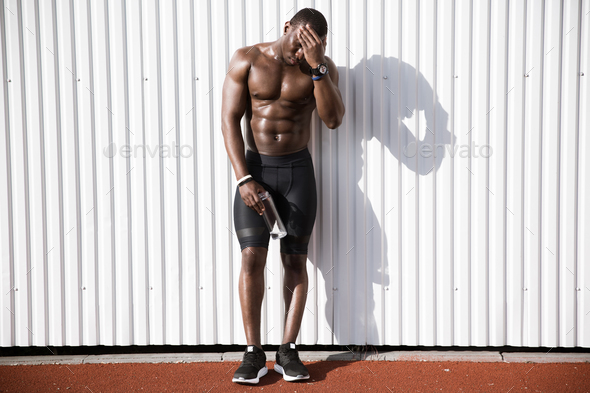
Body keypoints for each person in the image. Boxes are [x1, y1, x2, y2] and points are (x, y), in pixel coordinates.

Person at [221, 7, 345, 385]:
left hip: (297, 174)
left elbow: (333, 119)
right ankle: (253, 354)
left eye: (312, 45)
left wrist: (317, 66)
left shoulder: (320, 67)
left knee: (295, 261)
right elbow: (228, 118)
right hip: (255, 171)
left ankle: (288, 350)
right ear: (287, 27)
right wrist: (243, 178)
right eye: (298, 40)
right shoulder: (247, 59)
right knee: (251, 257)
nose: (300, 50)